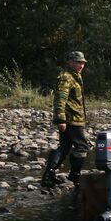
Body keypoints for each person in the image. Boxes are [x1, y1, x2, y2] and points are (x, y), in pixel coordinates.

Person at [41, 50, 89, 189]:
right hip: (71, 119)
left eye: (83, 63)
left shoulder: (75, 76)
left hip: (75, 118)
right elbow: (60, 99)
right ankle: (74, 175)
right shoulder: (66, 77)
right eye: (78, 62)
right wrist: (61, 119)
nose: (81, 65)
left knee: (64, 147)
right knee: (82, 146)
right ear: (70, 62)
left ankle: (49, 175)